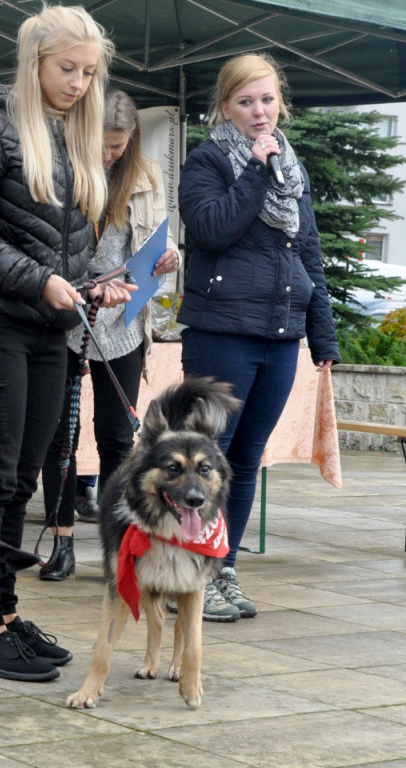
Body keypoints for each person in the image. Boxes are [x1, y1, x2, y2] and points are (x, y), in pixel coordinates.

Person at [0, 4, 133, 683]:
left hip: (51, 330)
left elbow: (63, 251)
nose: (79, 83)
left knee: (25, 479)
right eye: (67, 68)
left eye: (88, 72)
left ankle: (3, 613)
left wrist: (91, 285)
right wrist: (44, 280)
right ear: (34, 63)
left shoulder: (73, 139)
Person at [178, 53, 339, 621]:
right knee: (205, 459)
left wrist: (323, 336)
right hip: (223, 331)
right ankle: (187, 574)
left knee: (244, 460)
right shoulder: (207, 161)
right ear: (225, 107)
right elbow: (211, 229)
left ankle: (221, 570)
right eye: (245, 101)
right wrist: (252, 169)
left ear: (281, 104)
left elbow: (309, 253)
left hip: (281, 333)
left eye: (267, 100)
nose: (259, 111)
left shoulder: (292, 169)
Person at [39, 89, 181, 580]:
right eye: (103, 145)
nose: (109, 155)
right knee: (61, 433)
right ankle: (60, 543)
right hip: (68, 312)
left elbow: (159, 239)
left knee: (118, 435)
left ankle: (120, 543)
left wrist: (170, 257)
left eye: (119, 148)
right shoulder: (61, 168)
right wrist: (89, 286)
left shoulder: (146, 176)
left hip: (122, 323)